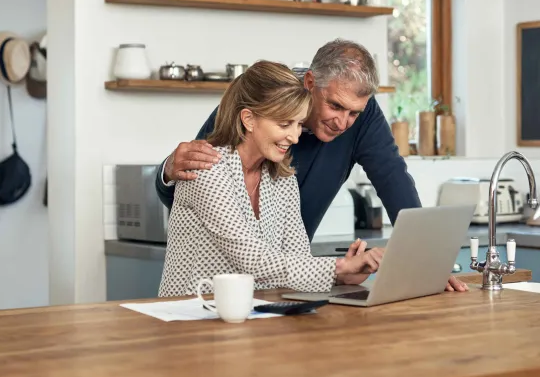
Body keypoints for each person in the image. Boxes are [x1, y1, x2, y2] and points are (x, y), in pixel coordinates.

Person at [156, 39, 468, 293]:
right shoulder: (255, 106)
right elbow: (194, 176)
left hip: (262, 300)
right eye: (335, 106)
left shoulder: (283, 174)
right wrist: (169, 170)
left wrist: (426, 263)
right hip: (196, 304)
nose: (343, 123)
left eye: (354, 113)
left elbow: (392, 177)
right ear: (310, 84)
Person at [158, 61, 384, 297]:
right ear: (249, 119)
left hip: (252, 317)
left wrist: (342, 276)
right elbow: (252, 258)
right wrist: (339, 267)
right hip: (189, 316)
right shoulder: (208, 170)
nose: (295, 137)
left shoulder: (282, 178)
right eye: (284, 124)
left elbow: (297, 262)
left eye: (298, 124)